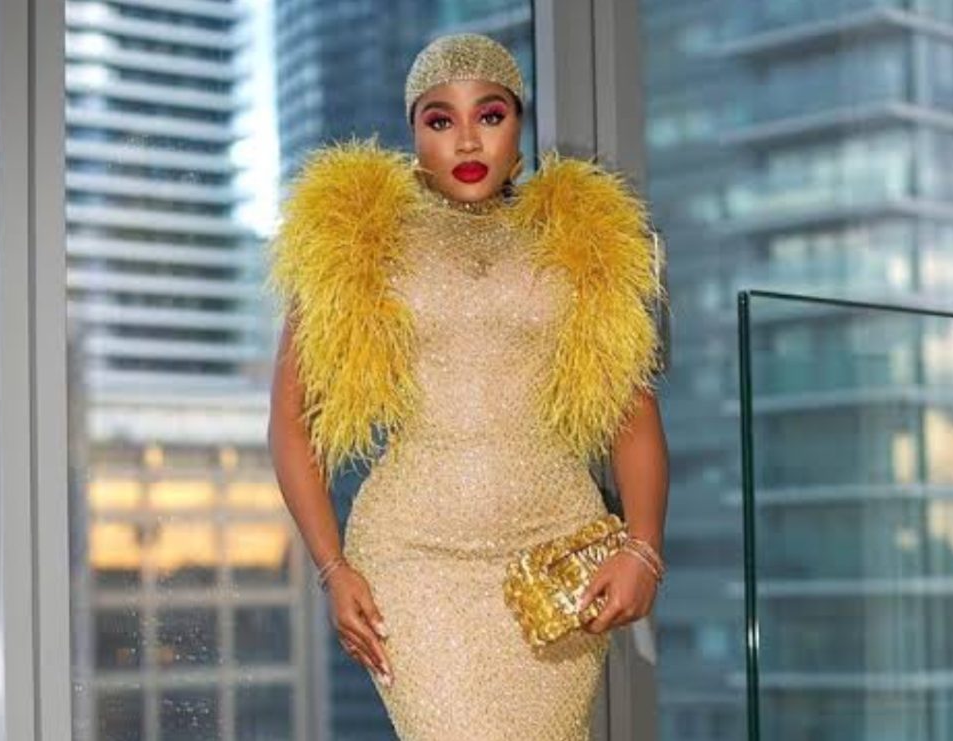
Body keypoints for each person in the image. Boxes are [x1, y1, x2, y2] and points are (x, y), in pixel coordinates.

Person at [266, 32, 670, 740]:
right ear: (413, 133)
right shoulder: (355, 242)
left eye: (489, 114)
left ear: (519, 124)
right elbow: (291, 422)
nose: (467, 141)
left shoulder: (581, 240)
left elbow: (631, 413)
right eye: (440, 119)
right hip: (413, 562)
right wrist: (333, 568)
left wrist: (642, 548)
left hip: (554, 560)